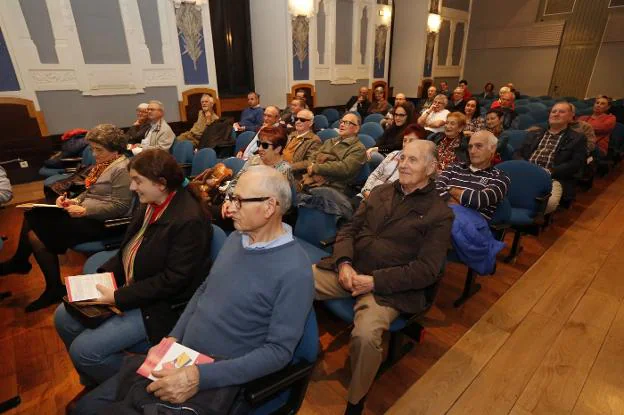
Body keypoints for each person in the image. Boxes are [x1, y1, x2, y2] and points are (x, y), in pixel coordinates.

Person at [72, 166, 314, 415]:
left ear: (269, 207)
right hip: (181, 356)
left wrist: (199, 376)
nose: (229, 207)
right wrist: (172, 338)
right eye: (231, 197)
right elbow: (204, 289)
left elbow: (279, 352)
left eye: (238, 200)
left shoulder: (295, 270)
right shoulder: (236, 239)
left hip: (219, 376)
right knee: (86, 408)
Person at [313, 139, 453, 415]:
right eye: (402, 158)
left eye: (413, 160)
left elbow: (427, 269)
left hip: (388, 288)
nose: (403, 164)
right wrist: (343, 262)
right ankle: (295, 350)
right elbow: (348, 230)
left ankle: (355, 401)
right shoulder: (379, 192)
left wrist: (375, 281)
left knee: (365, 337)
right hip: (351, 271)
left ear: (431, 168)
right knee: (295, 281)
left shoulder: (440, 214)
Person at [54, 149, 213, 387]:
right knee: (62, 317)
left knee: (84, 351)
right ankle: (97, 382)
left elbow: (173, 280)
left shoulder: (188, 220)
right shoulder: (151, 202)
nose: (132, 187)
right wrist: (103, 278)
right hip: (135, 287)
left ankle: (140, 389)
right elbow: (128, 250)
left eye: (138, 181)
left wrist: (118, 296)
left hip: (160, 306)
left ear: (161, 183)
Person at [0, 124, 133, 312]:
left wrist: (84, 209)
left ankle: (25, 266)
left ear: (116, 149)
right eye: (93, 149)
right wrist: (72, 200)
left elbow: (120, 207)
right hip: (87, 214)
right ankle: (46, 282)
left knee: (35, 223)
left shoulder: (122, 168)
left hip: (104, 222)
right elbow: (89, 192)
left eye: (99, 150)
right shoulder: (104, 164)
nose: (94, 154)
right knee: (34, 220)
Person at [514, 102, 586, 213]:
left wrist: (549, 171)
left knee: (549, 203)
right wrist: (525, 168)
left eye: (561, 112)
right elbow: (518, 153)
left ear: (571, 117)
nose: (556, 114)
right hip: (526, 173)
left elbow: (576, 164)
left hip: (552, 178)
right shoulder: (534, 133)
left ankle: (530, 216)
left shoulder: (577, 138)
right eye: (553, 111)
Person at [436, 130, 510, 220]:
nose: (472, 151)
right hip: (442, 217)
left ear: (493, 148)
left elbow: (479, 200)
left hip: (471, 225)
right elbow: (435, 190)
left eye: (479, 146)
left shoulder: (500, 177)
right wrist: (461, 202)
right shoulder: (454, 167)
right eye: (470, 147)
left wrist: (449, 189)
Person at [302, 112, 367, 193]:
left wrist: (316, 167)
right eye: (342, 122)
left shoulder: (358, 148)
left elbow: (344, 168)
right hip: (312, 178)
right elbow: (313, 156)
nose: (342, 125)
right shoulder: (330, 141)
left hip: (334, 187)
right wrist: (311, 165)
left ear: (356, 128)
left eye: (347, 123)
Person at [359, 123, 426, 199]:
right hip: (367, 194)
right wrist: (366, 190)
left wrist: (374, 199)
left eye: (411, 141)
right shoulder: (394, 154)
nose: (406, 144)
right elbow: (375, 174)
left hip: (382, 202)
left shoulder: (417, 166)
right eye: (405, 140)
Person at [227, 127, 294, 194]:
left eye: (265, 145)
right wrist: (230, 199)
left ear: (277, 149)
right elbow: (235, 182)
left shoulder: (284, 170)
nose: (259, 148)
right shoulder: (254, 159)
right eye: (259, 143)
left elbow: (278, 199)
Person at [282, 109, 322, 182]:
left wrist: (288, 167)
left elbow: (309, 162)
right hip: (281, 167)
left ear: (310, 123)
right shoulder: (292, 134)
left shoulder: (314, 140)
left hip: (295, 175)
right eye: (296, 119)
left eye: (302, 120)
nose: (298, 121)